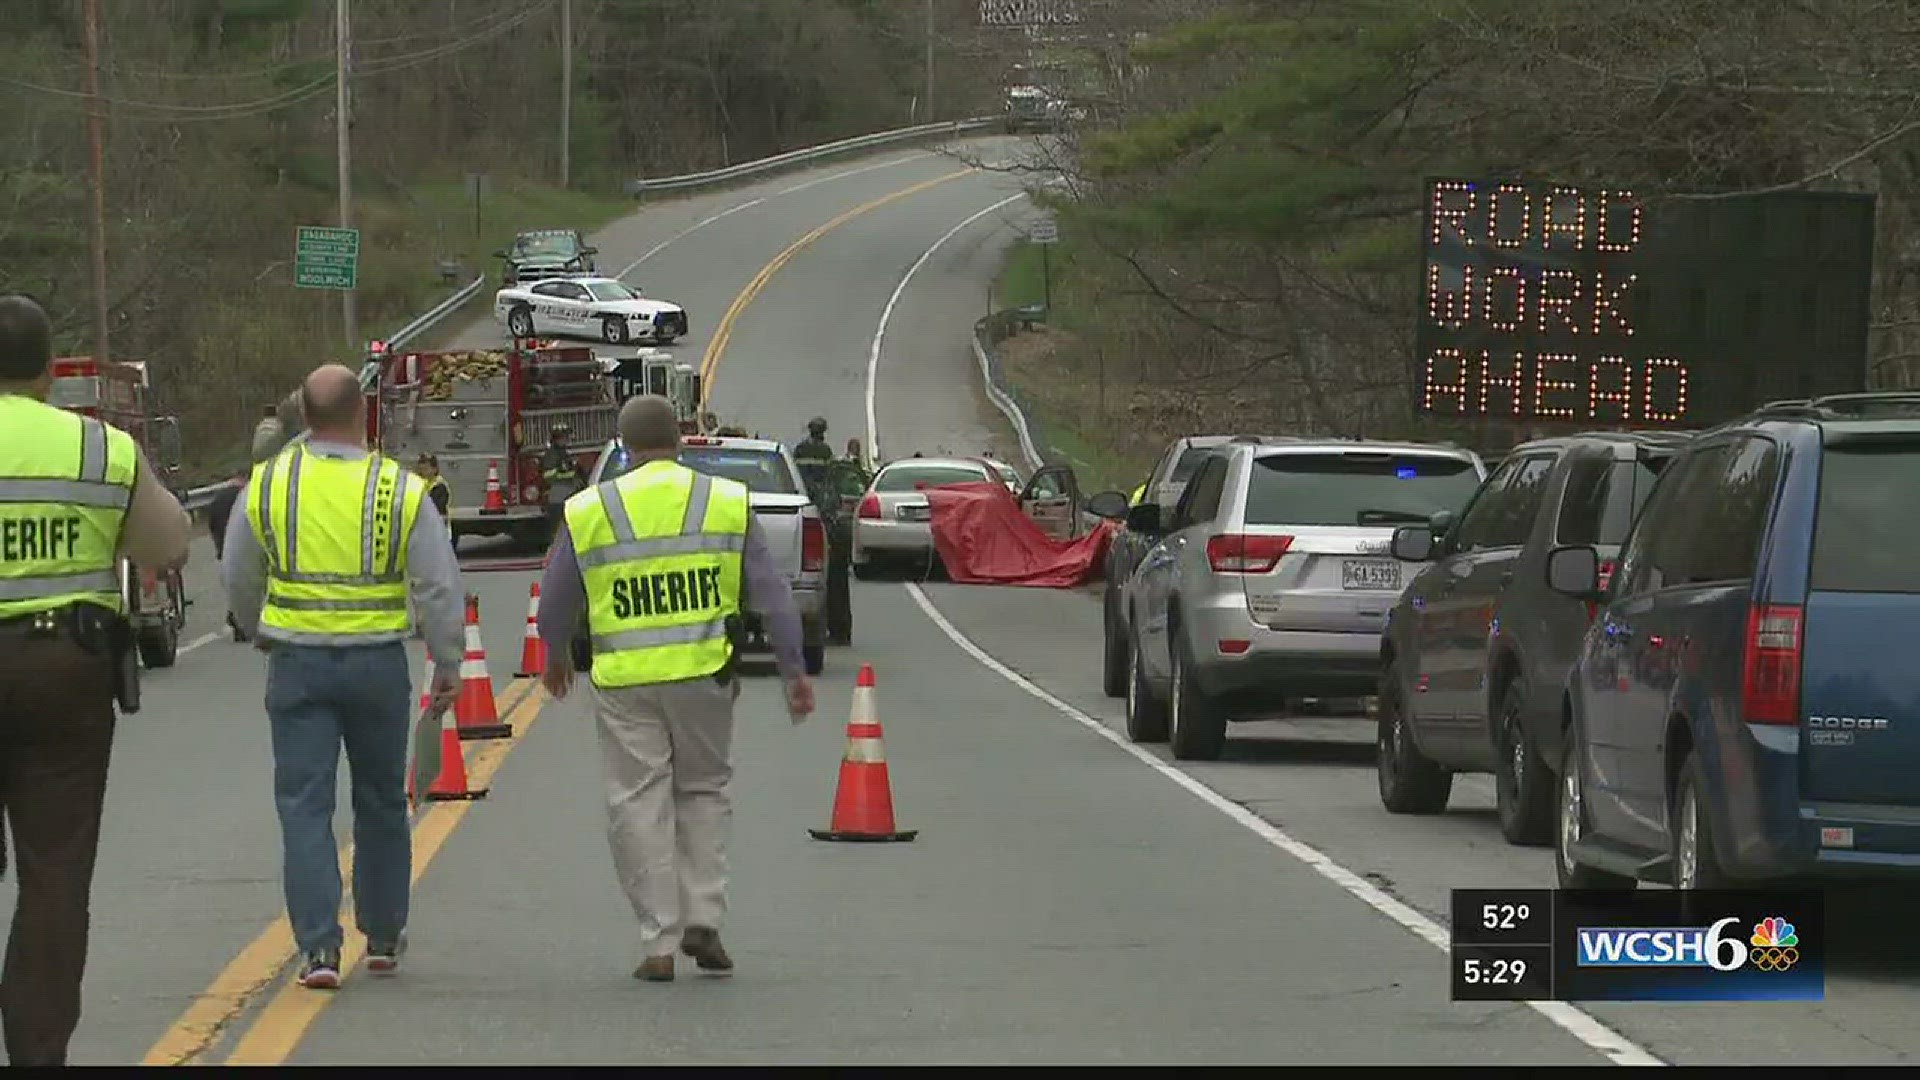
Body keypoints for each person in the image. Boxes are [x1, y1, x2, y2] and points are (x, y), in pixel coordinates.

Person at [535, 395, 816, 982]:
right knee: (704, 791)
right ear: (681, 440)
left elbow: (558, 595)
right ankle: (705, 916)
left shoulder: (591, 508)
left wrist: (555, 653)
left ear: (623, 446)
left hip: (626, 682)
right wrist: (792, 669)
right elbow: (772, 594)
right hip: (703, 676)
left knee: (638, 802)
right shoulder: (727, 502)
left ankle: (658, 942)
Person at [222, 364, 465, 991]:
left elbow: (238, 574)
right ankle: (382, 937)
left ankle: (319, 951)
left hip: (298, 662)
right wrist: (446, 659)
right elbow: (438, 585)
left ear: (304, 416)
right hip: (377, 664)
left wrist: (258, 629)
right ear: (364, 414)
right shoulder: (399, 488)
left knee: (304, 807)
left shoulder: (269, 484)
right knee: (382, 800)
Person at [0, 294, 191, 1065]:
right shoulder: (98, 450)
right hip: (62, 673)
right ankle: (38, 1051)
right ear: (49, 373)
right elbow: (169, 542)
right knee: (54, 874)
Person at [541, 424, 585, 540]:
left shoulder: (562, 453)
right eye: (564, 437)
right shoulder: (552, 455)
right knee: (559, 532)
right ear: (557, 439)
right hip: (558, 497)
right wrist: (571, 474)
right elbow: (548, 475)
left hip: (566, 495)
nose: (566, 439)